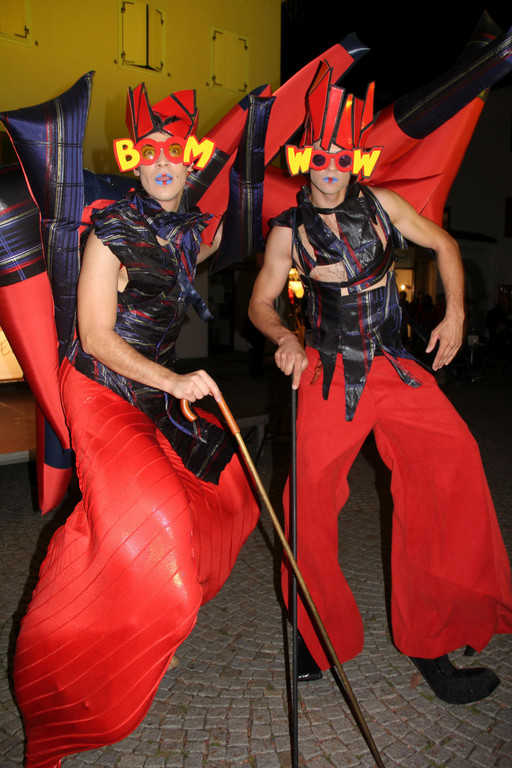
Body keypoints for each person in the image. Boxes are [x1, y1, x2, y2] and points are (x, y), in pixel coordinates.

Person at [13, 85, 260, 768]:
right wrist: (175, 381)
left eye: (173, 152)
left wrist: (257, 132)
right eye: (146, 152)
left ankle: (138, 602)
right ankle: (58, 672)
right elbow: (94, 335)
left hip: (150, 393)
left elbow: (236, 227)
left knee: (228, 487)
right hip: (99, 389)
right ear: (133, 161)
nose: (160, 162)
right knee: (155, 522)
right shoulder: (111, 231)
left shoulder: (189, 234)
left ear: (190, 161)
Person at [248, 67, 512, 705]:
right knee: (306, 504)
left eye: (341, 158)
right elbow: (260, 301)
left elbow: (444, 244)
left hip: (393, 366)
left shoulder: (384, 204)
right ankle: (317, 634)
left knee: (453, 464)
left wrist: (456, 312)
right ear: (305, 158)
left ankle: (433, 633)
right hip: (328, 372)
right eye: (320, 158)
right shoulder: (288, 227)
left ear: (356, 160)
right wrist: (285, 338)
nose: (330, 170)